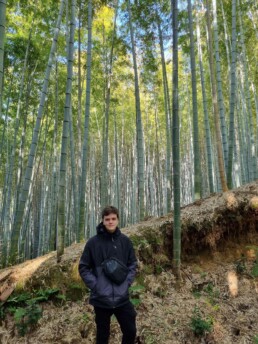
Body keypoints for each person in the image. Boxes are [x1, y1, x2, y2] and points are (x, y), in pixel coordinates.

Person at [79, 206, 137, 344]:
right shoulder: (93, 243)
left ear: (118, 220)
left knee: (130, 331)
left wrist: (126, 283)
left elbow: (132, 264)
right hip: (101, 299)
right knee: (102, 337)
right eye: (107, 219)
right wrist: (97, 286)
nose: (110, 222)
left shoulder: (125, 241)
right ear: (103, 221)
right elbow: (83, 267)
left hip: (122, 298)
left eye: (113, 219)